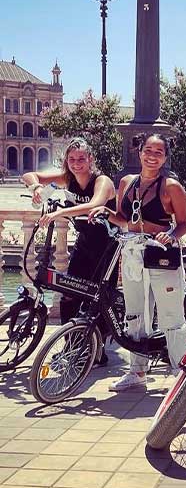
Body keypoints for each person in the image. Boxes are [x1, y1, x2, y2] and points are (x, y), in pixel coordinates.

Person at [90, 133, 186, 392]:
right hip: (133, 252)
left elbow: (183, 224)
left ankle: (182, 373)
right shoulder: (126, 182)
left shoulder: (171, 187)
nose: (152, 155)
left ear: (165, 156)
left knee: (171, 315)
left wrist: (170, 236)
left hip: (161, 254)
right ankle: (137, 371)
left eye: (159, 152)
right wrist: (105, 212)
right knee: (135, 313)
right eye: (148, 150)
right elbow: (123, 218)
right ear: (139, 152)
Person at [21, 137, 118, 365]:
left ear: (90, 159)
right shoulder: (68, 178)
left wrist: (59, 214)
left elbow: (95, 204)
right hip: (84, 245)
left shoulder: (101, 181)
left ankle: (98, 350)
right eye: (72, 159)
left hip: (107, 247)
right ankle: (71, 345)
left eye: (81, 159)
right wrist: (36, 187)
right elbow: (29, 175)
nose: (76, 163)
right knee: (68, 293)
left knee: (99, 298)